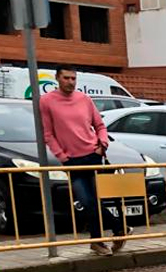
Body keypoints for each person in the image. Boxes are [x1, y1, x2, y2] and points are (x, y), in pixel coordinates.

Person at [40, 66, 123, 256]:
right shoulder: (47, 101)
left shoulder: (84, 99)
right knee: (86, 200)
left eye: (73, 78)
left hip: (92, 154)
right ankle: (119, 229)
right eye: (66, 78)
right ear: (58, 79)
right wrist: (61, 156)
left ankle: (98, 241)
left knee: (93, 199)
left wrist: (102, 144)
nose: (70, 82)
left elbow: (100, 125)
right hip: (71, 159)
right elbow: (48, 133)